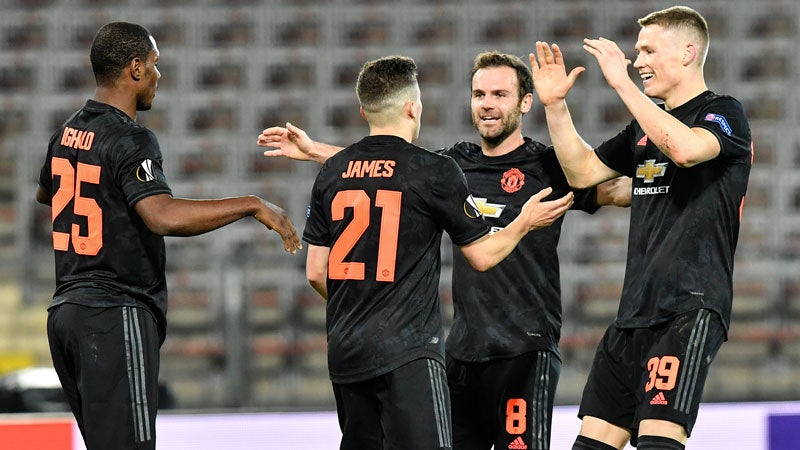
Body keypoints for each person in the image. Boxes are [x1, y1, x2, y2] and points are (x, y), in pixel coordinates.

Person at [258, 52, 631, 450]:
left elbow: (618, 190)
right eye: (479, 94)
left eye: (500, 94)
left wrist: (663, 172)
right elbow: (394, 167)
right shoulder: (453, 164)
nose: (487, 103)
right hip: (462, 354)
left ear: (525, 103)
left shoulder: (550, 167)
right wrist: (315, 150)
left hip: (525, 351)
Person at [35, 22, 302, 450]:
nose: (159, 75)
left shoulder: (65, 133)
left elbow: (46, 193)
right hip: (114, 313)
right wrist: (252, 204)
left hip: (66, 314)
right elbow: (161, 216)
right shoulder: (131, 137)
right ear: (135, 68)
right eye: (155, 64)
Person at [530, 6, 752, 450]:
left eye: (649, 50)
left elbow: (686, 150)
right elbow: (582, 172)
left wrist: (621, 84)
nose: (637, 61)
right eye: (637, 52)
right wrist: (555, 107)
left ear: (688, 53)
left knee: (658, 440)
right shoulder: (642, 128)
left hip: (689, 307)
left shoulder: (723, 112)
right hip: (633, 312)